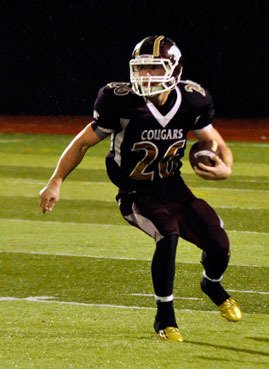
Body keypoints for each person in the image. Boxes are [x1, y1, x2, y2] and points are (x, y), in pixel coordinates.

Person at [39, 35, 242, 342]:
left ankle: (211, 284)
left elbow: (217, 141)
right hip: (135, 191)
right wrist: (56, 181)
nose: (146, 76)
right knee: (167, 232)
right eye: (142, 68)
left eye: (155, 69)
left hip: (174, 187)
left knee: (218, 242)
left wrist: (225, 168)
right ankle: (165, 317)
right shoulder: (119, 100)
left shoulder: (191, 99)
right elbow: (82, 143)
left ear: (174, 71)